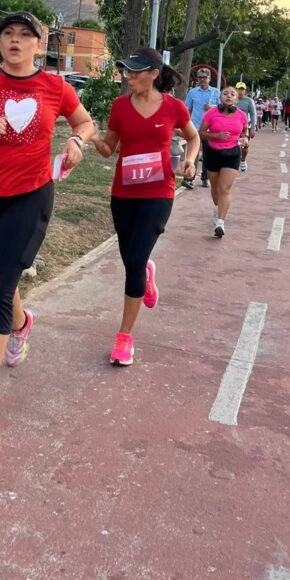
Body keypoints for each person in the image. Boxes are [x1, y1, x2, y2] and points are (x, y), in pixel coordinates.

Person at [0, 11, 95, 436]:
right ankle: (22, 323)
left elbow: (85, 121)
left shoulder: (54, 86)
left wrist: (75, 140)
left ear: (38, 43)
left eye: (24, 35)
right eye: (8, 34)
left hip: (30, 196)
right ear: (0, 42)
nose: (15, 41)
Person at [90, 47, 200, 367]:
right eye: (126, 72)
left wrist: (190, 162)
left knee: (135, 260)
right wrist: (92, 137)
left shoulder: (174, 108)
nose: (129, 78)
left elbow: (193, 138)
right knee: (132, 262)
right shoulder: (120, 107)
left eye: (135, 72)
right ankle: (146, 275)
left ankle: (124, 336)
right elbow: (110, 148)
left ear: (154, 74)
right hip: (123, 194)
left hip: (159, 192)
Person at [199, 84, 249, 238]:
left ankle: (220, 222)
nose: (229, 96)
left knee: (224, 188)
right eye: (225, 93)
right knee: (215, 187)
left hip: (232, 153)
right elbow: (200, 133)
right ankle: (218, 208)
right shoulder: (211, 114)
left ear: (236, 98)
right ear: (220, 97)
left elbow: (244, 132)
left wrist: (245, 139)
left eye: (232, 94)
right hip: (213, 152)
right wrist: (216, 136)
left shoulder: (241, 115)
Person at [183, 67, 221, 189]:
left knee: (208, 154)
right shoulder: (192, 92)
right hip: (194, 127)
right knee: (192, 153)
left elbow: (222, 109)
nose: (202, 80)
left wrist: (213, 107)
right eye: (200, 77)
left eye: (204, 77)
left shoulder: (216, 92)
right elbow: (187, 109)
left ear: (209, 79)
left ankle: (205, 177)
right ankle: (189, 178)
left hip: (210, 129)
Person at [234, 82, 257, 172]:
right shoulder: (232, 100)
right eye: (238, 89)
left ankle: (243, 160)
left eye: (242, 90)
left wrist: (253, 128)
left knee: (245, 145)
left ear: (245, 91)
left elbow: (253, 114)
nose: (240, 92)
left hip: (245, 127)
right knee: (234, 145)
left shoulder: (249, 101)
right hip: (233, 126)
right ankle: (234, 161)